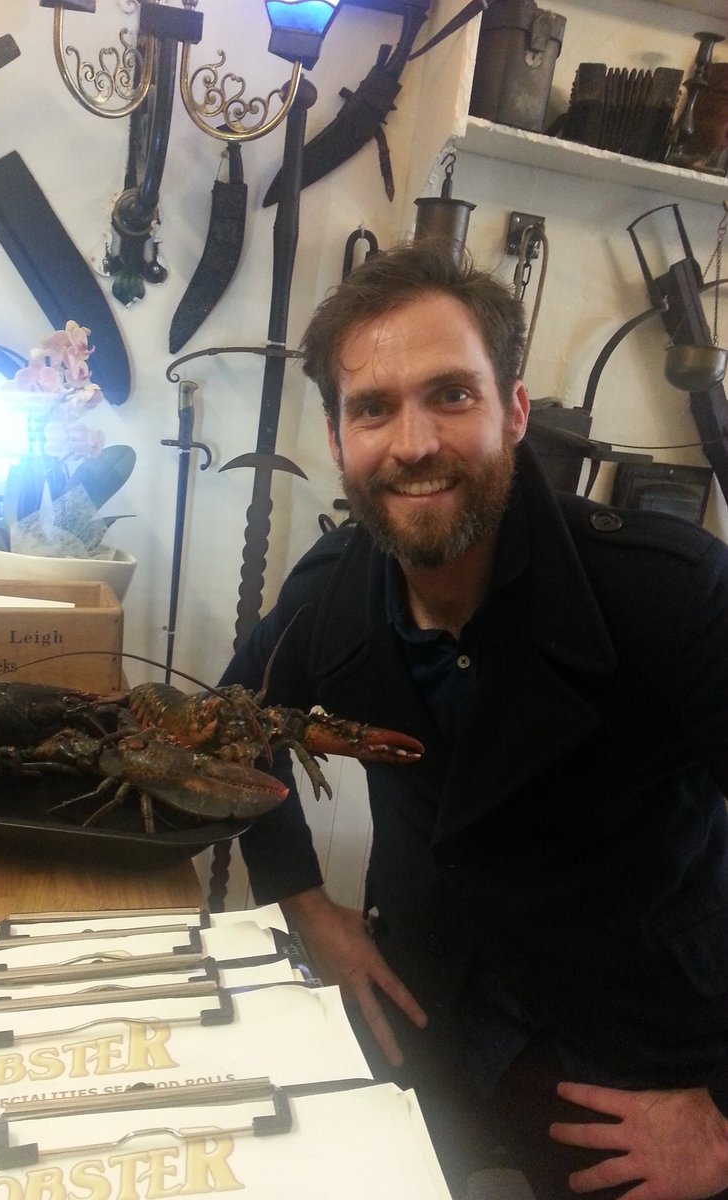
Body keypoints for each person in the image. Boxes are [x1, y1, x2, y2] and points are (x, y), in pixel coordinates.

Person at [220, 240, 728, 1200]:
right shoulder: (329, 596)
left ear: (517, 412)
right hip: (426, 1025)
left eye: (451, 395)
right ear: (338, 440)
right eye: (372, 408)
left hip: (645, 1070)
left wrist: (725, 1116)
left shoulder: (676, 596)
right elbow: (233, 732)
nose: (413, 443)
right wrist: (302, 899)